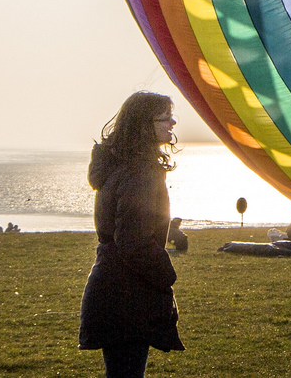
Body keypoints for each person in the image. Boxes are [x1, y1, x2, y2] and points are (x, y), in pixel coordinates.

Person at [78, 91, 184, 378]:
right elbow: (133, 241)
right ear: (143, 123)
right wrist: (166, 275)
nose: (172, 123)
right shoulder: (140, 172)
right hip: (127, 294)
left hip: (113, 286)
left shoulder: (119, 165)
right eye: (165, 117)